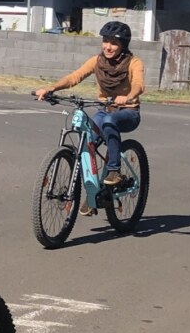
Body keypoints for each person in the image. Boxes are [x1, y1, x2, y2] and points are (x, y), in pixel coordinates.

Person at [33, 20, 143, 210]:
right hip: (105, 109)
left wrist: (128, 97)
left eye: (114, 43)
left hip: (128, 112)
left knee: (109, 122)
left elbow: (139, 85)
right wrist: (51, 88)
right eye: (106, 41)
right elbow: (75, 77)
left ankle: (114, 171)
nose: (108, 47)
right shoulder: (97, 61)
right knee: (87, 142)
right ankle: (95, 191)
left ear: (123, 45)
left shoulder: (134, 62)